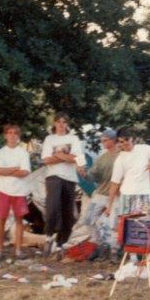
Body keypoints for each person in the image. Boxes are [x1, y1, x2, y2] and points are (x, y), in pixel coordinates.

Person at [41, 111, 85, 259]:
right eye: (58, 122)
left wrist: (58, 155)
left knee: (67, 211)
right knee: (52, 207)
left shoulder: (73, 139)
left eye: (63, 122)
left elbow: (77, 158)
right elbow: (46, 160)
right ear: (54, 123)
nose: (61, 124)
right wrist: (66, 157)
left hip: (70, 178)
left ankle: (61, 243)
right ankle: (48, 237)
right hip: (53, 177)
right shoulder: (49, 139)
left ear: (67, 124)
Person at [104, 127, 150, 219]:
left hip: (144, 195)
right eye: (121, 142)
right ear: (118, 143)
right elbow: (114, 183)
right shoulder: (120, 159)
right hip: (127, 196)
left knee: (145, 225)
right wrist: (109, 206)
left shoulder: (145, 149)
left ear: (132, 138)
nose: (125, 143)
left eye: (127, 140)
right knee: (127, 226)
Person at [77, 129, 121, 260]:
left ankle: (114, 251)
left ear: (113, 140)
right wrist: (83, 173)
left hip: (117, 196)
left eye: (105, 140)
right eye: (101, 140)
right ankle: (100, 245)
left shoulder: (123, 156)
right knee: (88, 219)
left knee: (114, 223)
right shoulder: (102, 158)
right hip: (101, 193)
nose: (102, 143)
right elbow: (92, 177)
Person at [0, 124, 31, 260]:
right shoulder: (0, 153)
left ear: (18, 136)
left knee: (19, 220)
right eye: (10, 133)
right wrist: (15, 168)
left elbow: (24, 172)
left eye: (15, 133)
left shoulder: (23, 153)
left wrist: (6, 170)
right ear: (5, 135)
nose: (12, 135)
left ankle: (18, 250)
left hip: (19, 191)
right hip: (3, 190)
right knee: (1, 220)